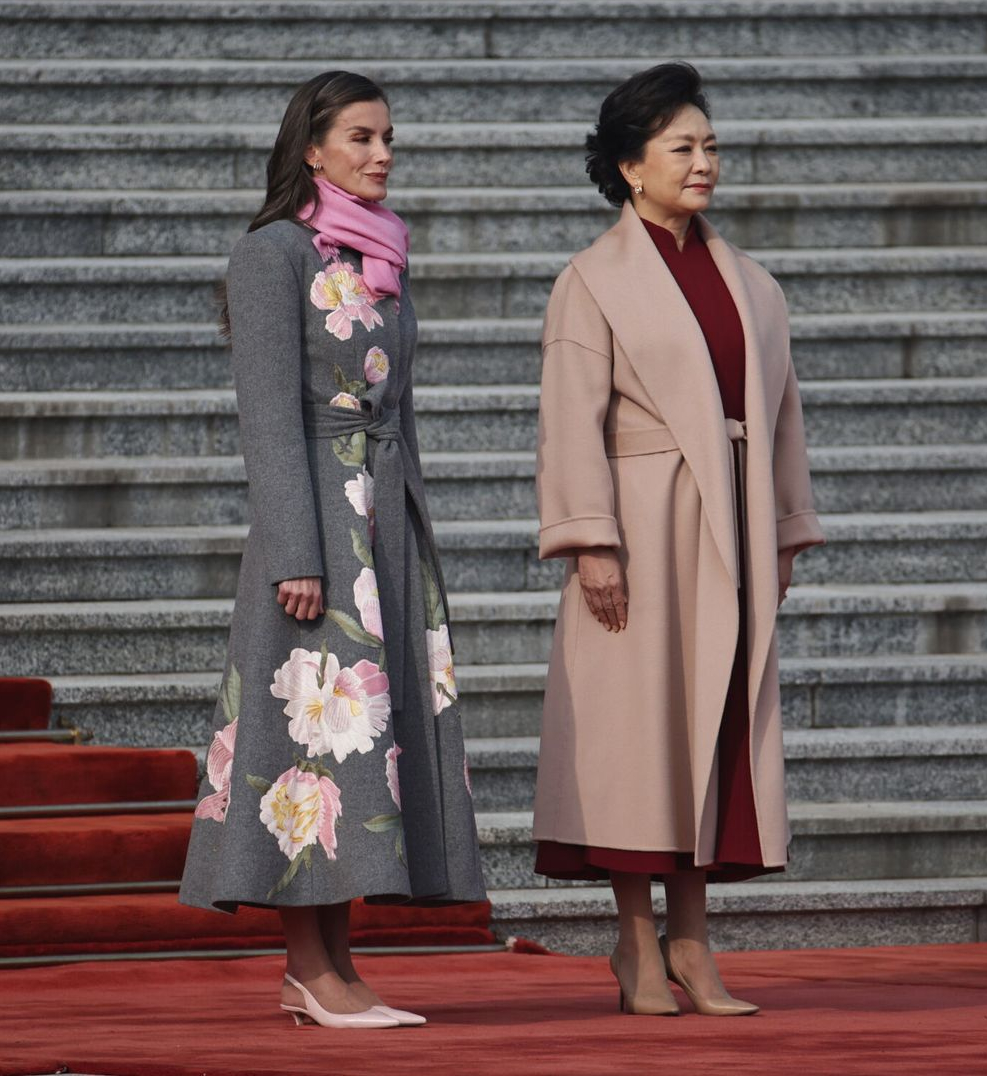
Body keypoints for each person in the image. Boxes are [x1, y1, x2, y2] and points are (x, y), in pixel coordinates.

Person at [180, 70, 485, 1030]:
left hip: (385, 527)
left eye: (388, 136)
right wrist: (295, 551)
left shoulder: (384, 256)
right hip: (315, 525)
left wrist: (415, 541)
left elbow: (400, 410)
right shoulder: (271, 254)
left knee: (366, 753)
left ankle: (331, 967)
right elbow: (269, 417)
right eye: (361, 137)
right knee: (314, 742)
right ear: (313, 148)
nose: (382, 153)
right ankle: (312, 967)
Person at [532, 62, 823, 1017]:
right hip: (642, 531)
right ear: (629, 167)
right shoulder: (592, 281)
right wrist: (592, 543)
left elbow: (783, 421)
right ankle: (634, 944)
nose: (704, 163)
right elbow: (571, 422)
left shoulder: (755, 283)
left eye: (710, 145)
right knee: (638, 736)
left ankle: (694, 945)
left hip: (730, 530)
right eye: (681, 148)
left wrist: (782, 531)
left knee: (715, 731)